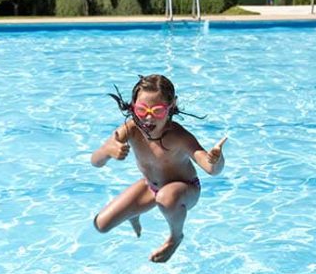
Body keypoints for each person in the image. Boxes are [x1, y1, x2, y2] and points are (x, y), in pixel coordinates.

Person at [91, 75, 227, 263]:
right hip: (152, 186)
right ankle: (135, 211)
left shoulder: (178, 136)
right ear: (133, 106)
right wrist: (108, 150)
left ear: (171, 107)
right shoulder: (129, 130)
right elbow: (95, 162)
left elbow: (212, 169)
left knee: (166, 197)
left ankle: (175, 237)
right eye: (141, 110)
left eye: (157, 111)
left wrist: (216, 159)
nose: (148, 117)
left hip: (185, 190)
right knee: (101, 224)